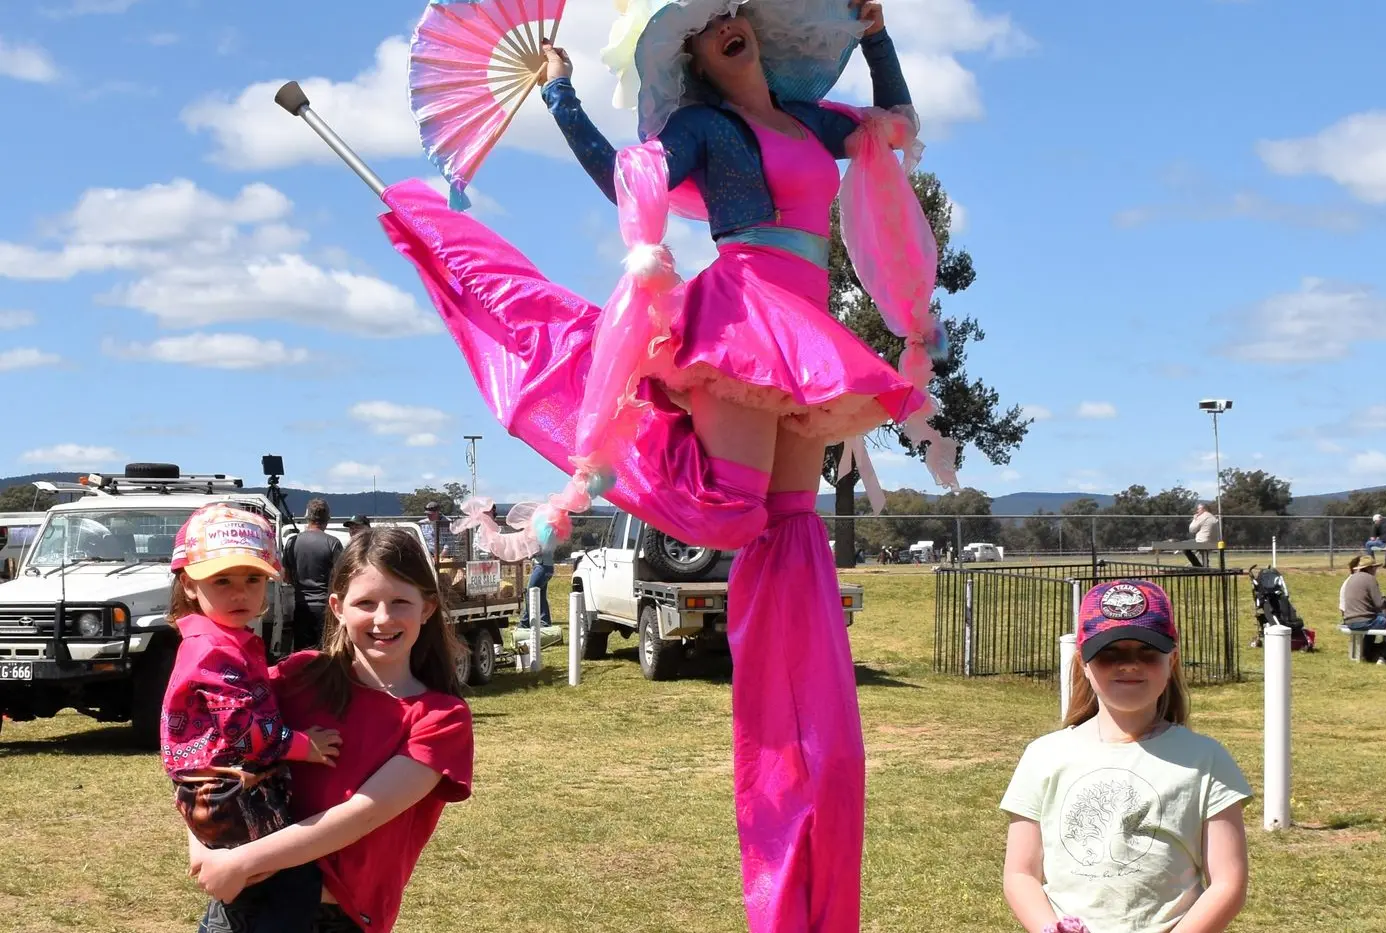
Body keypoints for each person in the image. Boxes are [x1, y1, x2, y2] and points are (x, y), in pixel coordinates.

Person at [380, 1, 952, 928]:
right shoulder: (699, 128)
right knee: (731, 513)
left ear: (759, 32)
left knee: (792, 531)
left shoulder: (811, 122)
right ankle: (602, 477)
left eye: (736, 12)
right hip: (740, 318)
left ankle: (809, 771)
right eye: (705, 23)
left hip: (806, 332)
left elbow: (895, 126)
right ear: (688, 55)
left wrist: (879, 36)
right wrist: (565, 101)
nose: (727, 23)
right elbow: (626, 174)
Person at [189, 527, 474, 933]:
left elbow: (359, 816)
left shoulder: (440, 718)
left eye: (400, 602)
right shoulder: (299, 676)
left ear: (426, 608)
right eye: (366, 602)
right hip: (243, 907)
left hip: (332, 918)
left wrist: (239, 862)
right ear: (338, 607)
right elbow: (204, 741)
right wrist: (201, 838)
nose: (382, 618)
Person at [1001, 580, 1251, 933]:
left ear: (1172, 661)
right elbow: (1020, 873)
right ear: (1083, 663)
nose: (1129, 665)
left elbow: (1228, 884)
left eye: (1147, 651)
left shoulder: (1206, 760)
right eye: (1109, 653)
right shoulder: (1043, 756)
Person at [160, 505, 343, 933]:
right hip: (229, 794)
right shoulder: (214, 649)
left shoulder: (221, 639)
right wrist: (304, 746)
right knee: (284, 884)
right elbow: (241, 728)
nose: (240, 593)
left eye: (253, 579)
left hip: (223, 789)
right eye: (222, 580)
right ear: (189, 584)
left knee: (259, 891)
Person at [284, 498, 344, 650]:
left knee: (302, 655)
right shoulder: (333, 543)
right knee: (327, 652)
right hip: (326, 606)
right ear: (327, 519)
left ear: (307, 516)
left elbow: (286, 576)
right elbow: (341, 577)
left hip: (301, 605)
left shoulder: (292, 542)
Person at [1341, 554, 1386, 664]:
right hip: (1365, 621)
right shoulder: (1370, 579)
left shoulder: (1351, 578)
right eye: (1375, 568)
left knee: (1379, 619)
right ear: (1370, 568)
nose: (1376, 570)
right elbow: (1379, 604)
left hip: (1349, 620)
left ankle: (1368, 652)